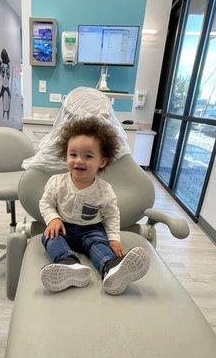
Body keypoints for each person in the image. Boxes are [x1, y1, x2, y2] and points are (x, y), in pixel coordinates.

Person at [39, 117, 150, 295]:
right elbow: (46, 203)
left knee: (98, 242)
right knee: (48, 237)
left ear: (102, 161)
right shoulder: (56, 183)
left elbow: (112, 215)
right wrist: (53, 219)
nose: (79, 161)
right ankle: (69, 264)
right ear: (66, 155)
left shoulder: (104, 190)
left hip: (91, 229)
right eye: (73, 155)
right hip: (63, 227)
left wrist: (114, 238)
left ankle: (112, 268)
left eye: (88, 156)